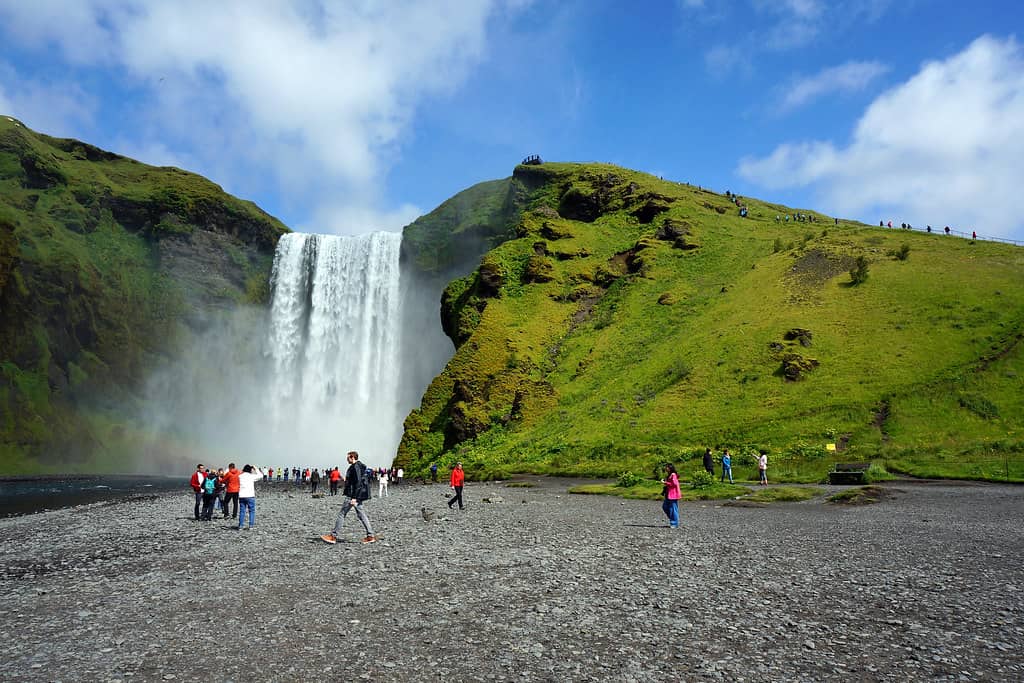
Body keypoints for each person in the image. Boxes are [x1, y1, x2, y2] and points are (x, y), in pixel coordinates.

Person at [321, 451, 376, 544]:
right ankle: (370, 536)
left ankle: (333, 536)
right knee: (361, 514)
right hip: (357, 495)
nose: (347, 459)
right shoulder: (360, 466)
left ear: (352, 457)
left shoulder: (355, 467)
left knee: (342, 514)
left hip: (352, 495)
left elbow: (358, 483)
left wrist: (354, 497)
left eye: (348, 458)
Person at [237, 464, 265, 530]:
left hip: (242, 495)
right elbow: (261, 475)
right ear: (250, 470)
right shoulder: (251, 476)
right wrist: (255, 468)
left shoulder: (240, 476)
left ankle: (240, 526)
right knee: (251, 511)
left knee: (242, 511)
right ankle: (251, 526)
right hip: (250, 495)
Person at [660, 464, 681, 528]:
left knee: (673, 508)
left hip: (673, 494)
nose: (666, 468)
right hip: (668, 494)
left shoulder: (673, 475)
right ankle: (673, 519)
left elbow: (674, 484)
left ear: (670, 468)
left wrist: (665, 483)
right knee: (665, 507)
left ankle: (674, 523)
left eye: (667, 467)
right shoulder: (669, 475)